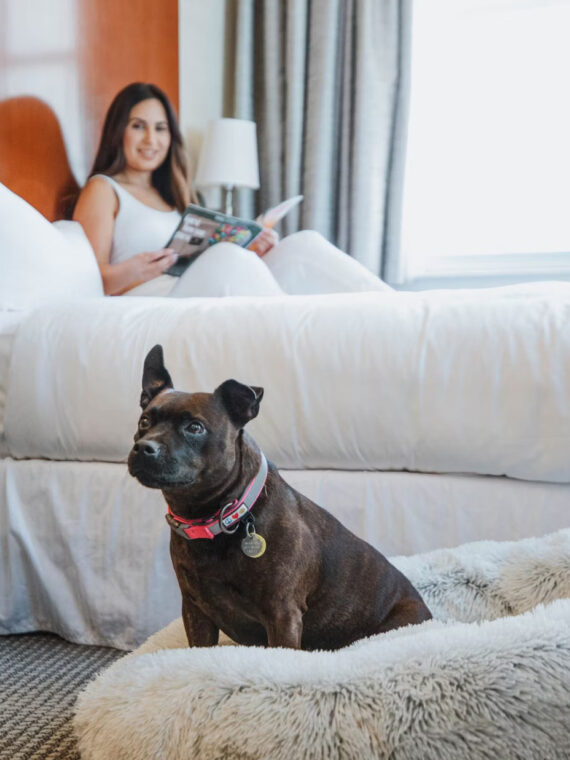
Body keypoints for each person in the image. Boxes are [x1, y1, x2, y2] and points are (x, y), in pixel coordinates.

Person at [73, 82, 392, 297]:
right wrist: (133, 270)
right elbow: (87, 282)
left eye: (161, 129)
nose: (151, 140)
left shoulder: (174, 196)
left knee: (300, 246)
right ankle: (290, 331)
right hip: (156, 298)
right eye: (138, 126)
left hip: (197, 284)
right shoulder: (104, 189)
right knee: (227, 258)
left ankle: (390, 309)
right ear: (119, 131)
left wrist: (247, 245)